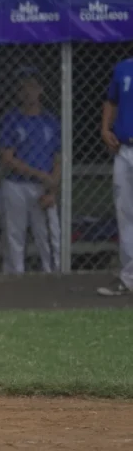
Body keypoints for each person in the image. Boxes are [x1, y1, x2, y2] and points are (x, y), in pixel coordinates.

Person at [0, 67, 61, 274]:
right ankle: (15, 278)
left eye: (32, 86)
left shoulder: (50, 121)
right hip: (15, 184)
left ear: (41, 89)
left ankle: (53, 276)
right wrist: (41, 175)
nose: (28, 92)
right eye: (22, 88)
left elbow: (58, 158)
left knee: (49, 237)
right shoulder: (11, 119)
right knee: (14, 236)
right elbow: (7, 158)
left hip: (42, 188)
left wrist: (52, 189)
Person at [98, 56, 133, 297]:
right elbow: (111, 101)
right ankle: (128, 277)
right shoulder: (123, 68)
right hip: (124, 149)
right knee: (125, 214)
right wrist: (104, 128)